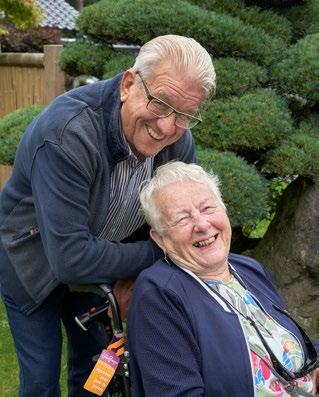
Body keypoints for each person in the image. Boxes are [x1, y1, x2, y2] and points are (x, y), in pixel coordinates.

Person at [0, 35, 216, 396]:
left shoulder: (177, 141)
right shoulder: (66, 134)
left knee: (96, 371)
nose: (167, 127)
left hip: (101, 263)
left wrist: (160, 255)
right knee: (40, 379)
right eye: (161, 103)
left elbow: (175, 222)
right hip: (30, 262)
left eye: (184, 114)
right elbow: (70, 259)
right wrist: (163, 254)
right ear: (129, 84)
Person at [127, 161, 319, 397]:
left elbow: (283, 343)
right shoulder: (159, 294)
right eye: (182, 219)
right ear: (160, 239)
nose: (202, 224)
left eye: (208, 208)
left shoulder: (248, 269)